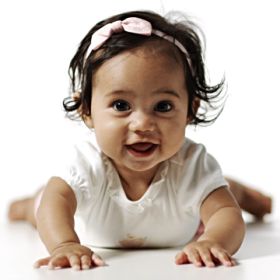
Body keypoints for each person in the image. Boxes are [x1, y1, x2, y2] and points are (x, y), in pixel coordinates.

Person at [8, 10, 272, 270]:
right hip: (81, 219)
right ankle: (26, 204)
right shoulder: (86, 163)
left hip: (185, 219)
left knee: (221, 192)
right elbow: (56, 205)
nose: (143, 124)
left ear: (190, 110)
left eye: (163, 106)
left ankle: (241, 192)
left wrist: (213, 240)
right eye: (121, 105)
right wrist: (64, 244)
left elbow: (225, 214)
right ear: (86, 111)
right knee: (41, 206)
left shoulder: (192, 164)